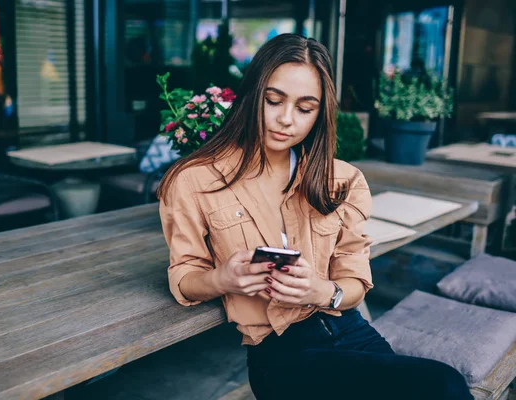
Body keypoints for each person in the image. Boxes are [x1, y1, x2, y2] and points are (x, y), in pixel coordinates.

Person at [158, 33, 472, 400]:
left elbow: (354, 284)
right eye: (273, 101)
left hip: (352, 332)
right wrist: (222, 279)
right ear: (251, 95)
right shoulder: (194, 179)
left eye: (305, 108)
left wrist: (323, 290)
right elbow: (184, 276)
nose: (286, 119)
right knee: (442, 385)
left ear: (320, 113)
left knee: (439, 385)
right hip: (281, 353)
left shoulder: (342, 180)